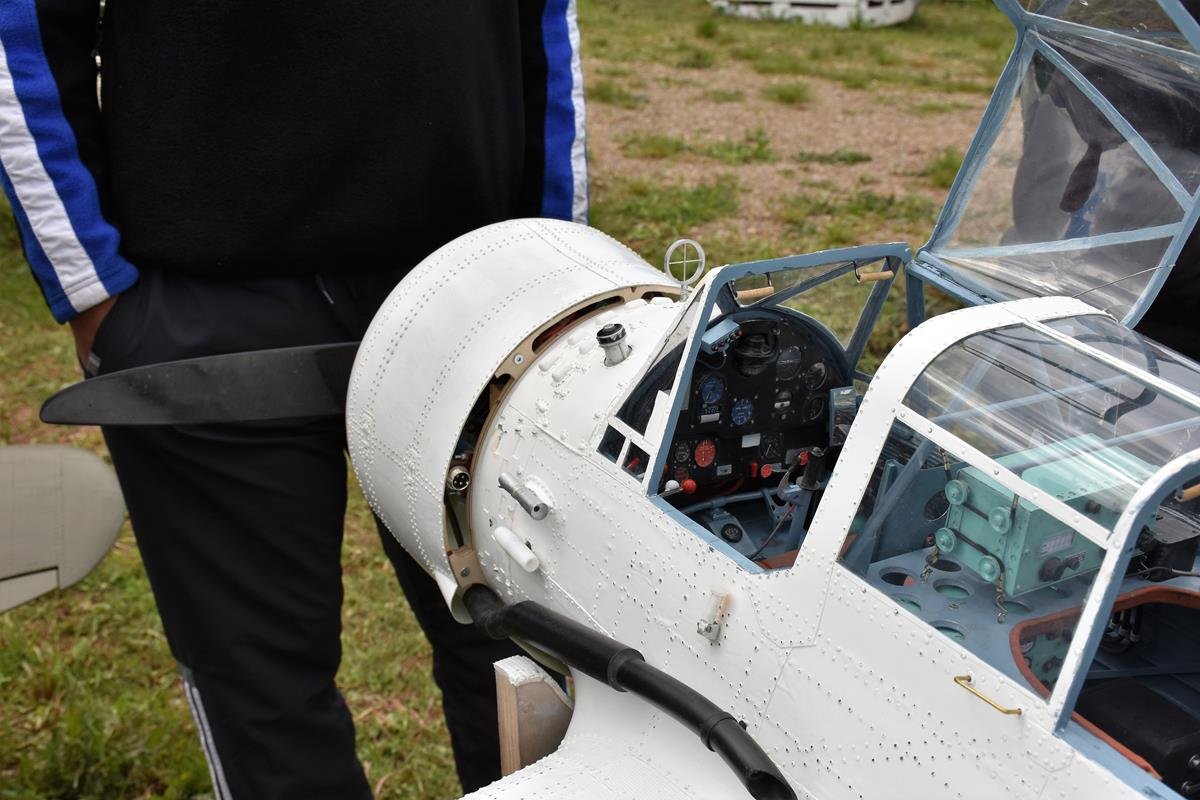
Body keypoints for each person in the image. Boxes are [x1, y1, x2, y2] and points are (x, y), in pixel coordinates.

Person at [0, 2, 587, 798]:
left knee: (528, 655)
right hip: (206, 316)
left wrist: (552, 265)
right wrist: (93, 288)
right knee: (265, 693)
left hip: (475, 295)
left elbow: (541, 16)